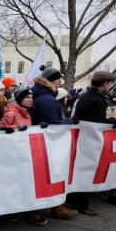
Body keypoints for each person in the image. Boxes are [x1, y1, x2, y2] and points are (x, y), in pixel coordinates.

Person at [73, 71, 116, 210]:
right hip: (90, 140)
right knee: (87, 171)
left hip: (83, 138)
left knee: (82, 171)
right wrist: (110, 121)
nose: (109, 86)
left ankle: (77, 202)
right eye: (109, 83)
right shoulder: (97, 99)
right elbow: (97, 122)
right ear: (104, 84)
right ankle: (82, 205)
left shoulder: (87, 96)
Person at [30, 68, 77, 219]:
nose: (60, 82)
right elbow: (52, 122)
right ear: (51, 80)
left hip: (39, 141)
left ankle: (48, 206)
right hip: (46, 142)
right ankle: (54, 207)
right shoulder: (46, 99)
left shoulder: (42, 95)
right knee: (50, 174)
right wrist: (69, 121)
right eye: (58, 79)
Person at [0, 87, 49, 226]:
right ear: (20, 99)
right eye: (27, 97)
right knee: (14, 183)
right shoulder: (11, 113)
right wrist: (14, 128)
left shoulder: (27, 113)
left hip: (25, 153)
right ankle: (10, 211)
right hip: (13, 154)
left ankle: (30, 211)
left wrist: (39, 127)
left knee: (28, 182)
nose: (31, 100)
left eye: (32, 98)